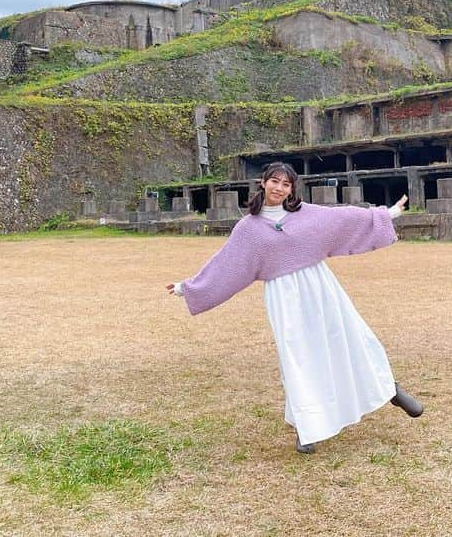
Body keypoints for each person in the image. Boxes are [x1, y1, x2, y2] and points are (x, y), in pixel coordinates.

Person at [167, 161, 423, 454]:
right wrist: (188, 288)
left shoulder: (305, 214)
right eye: (274, 181)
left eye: (285, 184)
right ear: (263, 183)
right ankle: (307, 426)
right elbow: (225, 265)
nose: (279, 188)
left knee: (351, 338)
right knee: (298, 357)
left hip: (320, 286)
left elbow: (346, 219)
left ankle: (390, 389)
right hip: (283, 296)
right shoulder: (248, 229)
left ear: (291, 189)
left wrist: (387, 213)